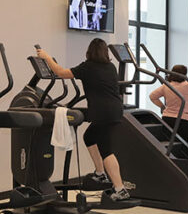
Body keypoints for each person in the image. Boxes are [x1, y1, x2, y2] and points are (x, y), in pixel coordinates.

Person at [36, 39, 130, 201]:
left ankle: (120, 189)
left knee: (106, 150)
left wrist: (46, 57)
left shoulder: (88, 67)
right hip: (115, 109)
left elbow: (61, 72)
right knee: (89, 137)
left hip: (102, 112)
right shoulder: (111, 67)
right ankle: (100, 174)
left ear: (89, 52)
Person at [148, 64, 188, 145]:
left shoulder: (167, 85)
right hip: (182, 119)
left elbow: (152, 96)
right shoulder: (187, 85)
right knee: (182, 145)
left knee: (169, 143)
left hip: (167, 118)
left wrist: (162, 106)